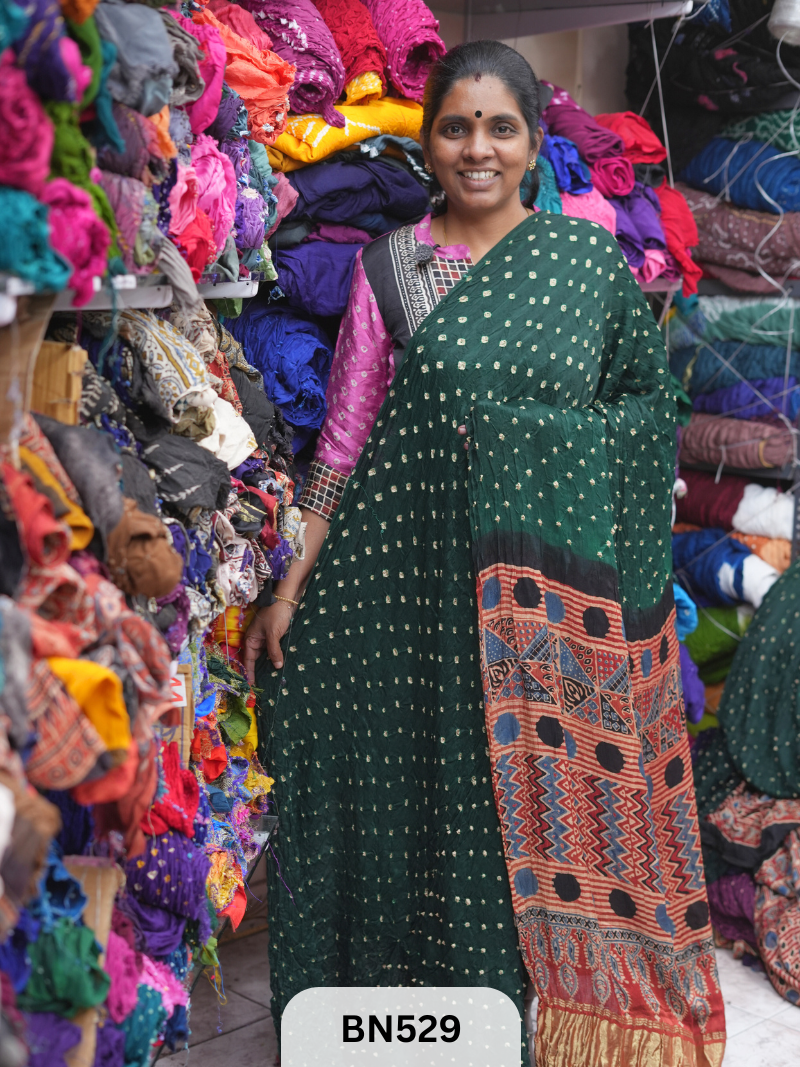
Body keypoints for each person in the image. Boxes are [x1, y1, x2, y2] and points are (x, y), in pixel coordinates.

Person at [244, 40, 726, 1067]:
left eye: (500, 128)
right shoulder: (389, 268)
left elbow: (650, 410)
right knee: (411, 801)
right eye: (456, 127)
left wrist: (531, 440)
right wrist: (290, 587)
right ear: (427, 143)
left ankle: (517, 1023)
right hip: (411, 591)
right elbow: (344, 443)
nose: (477, 149)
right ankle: (398, 1030)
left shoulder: (585, 263)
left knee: (518, 817)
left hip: (543, 606)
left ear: (533, 143)